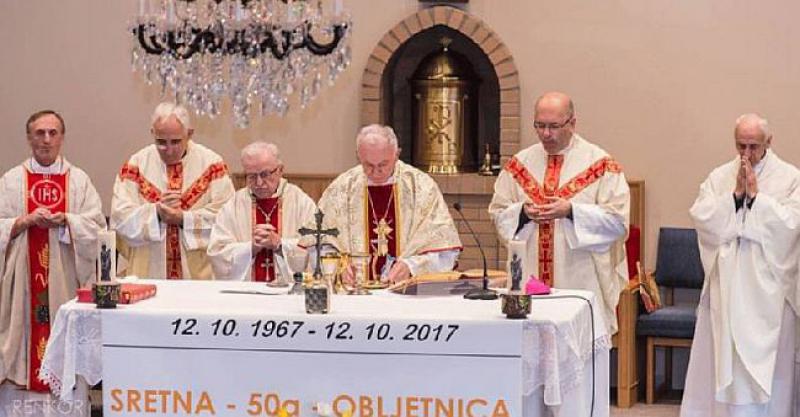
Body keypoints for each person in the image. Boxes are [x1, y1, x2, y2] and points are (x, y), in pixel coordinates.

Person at [681, 113, 800, 417]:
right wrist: (734, 197)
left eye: (753, 146)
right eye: (740, 146)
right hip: (728, 285)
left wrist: (757, 198)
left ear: (769, 142)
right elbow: (702, 217)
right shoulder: (720, 176)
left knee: (768, 373)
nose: (746, 154)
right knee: (726, 364)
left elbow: (792, 225)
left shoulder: (790, 178)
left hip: (769, 292)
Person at [489, 91, 630, 334]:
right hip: (528, 275)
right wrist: (522, 213)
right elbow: (498, 214)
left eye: (554, 126)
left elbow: (618, 222)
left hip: (579, 278)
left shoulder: (600, 164)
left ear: (572, 123)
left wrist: (571, 211)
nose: (546, 134)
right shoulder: (519, 165)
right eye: (540, 125)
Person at [0, 110, 105, 416]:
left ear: (62, 137)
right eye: (39, 133)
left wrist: (67, 221)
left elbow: (97, 228)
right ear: (29, 138)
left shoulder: (79, 181)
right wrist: (23, 222)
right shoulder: (11, 181)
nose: (46, 140)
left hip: (65, 281)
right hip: (22, 288)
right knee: (21, 346)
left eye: (52, 133)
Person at [312, 124, 461, 284]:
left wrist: (412, 267)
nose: (376, 172)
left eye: (383, 164)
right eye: (368, 165)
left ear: (396, 154)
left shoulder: (421, 187)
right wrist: (337, 266)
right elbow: (317, 244)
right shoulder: (341, 189)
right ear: (358, 156)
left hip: (406, 292)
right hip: (354, 292)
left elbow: (445, 250)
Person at [110, 102, 235, 279]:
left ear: (189, 134)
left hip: (198, 278)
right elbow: (119, 219)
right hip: (149, 275)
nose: (168, 151)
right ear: (152, 133)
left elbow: (227, 219)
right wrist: (156, 213)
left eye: (176, 142)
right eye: (161, 142)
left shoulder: (212, 165)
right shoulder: (135, 166)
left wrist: (184, 219)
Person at [207, 142, 316, 282]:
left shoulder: (301, 202)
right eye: (252, 176)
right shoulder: (232, 206)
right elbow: (217, 253)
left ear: (280, 170)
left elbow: (315, 246)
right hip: (246, 292)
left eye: (265, 174)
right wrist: (250, 249)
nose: (259, 183)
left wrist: (280, 245)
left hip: (287, 291)